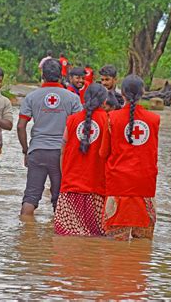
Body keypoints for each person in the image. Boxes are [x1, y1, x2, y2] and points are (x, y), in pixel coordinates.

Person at [17, 58, 83, 216]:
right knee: (59, 198)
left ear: (42, 75)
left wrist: (26, 150)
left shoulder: (31, 97)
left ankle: (25, 235)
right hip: (61, 154)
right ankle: (56, 239)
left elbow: (21, 126)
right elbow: (80, 127)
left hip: (37, 150)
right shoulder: (73, 98)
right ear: (61, 75)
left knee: (31, 198)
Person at [99, 74, 160, 241]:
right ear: (143, 92)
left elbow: (103, 153)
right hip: (145, 186)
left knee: (115, 243)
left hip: (118, 185)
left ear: (122, 94)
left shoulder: (112, 118)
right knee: (143, 244)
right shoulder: (154, 119)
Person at [54, 83, 108, 236]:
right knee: (95, 239)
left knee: (66, 239)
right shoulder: (108, 121)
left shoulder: (72, 120)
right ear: (104, 102)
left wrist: (65, 176)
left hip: (71, 187)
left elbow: (62, 151)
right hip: (97, 189)